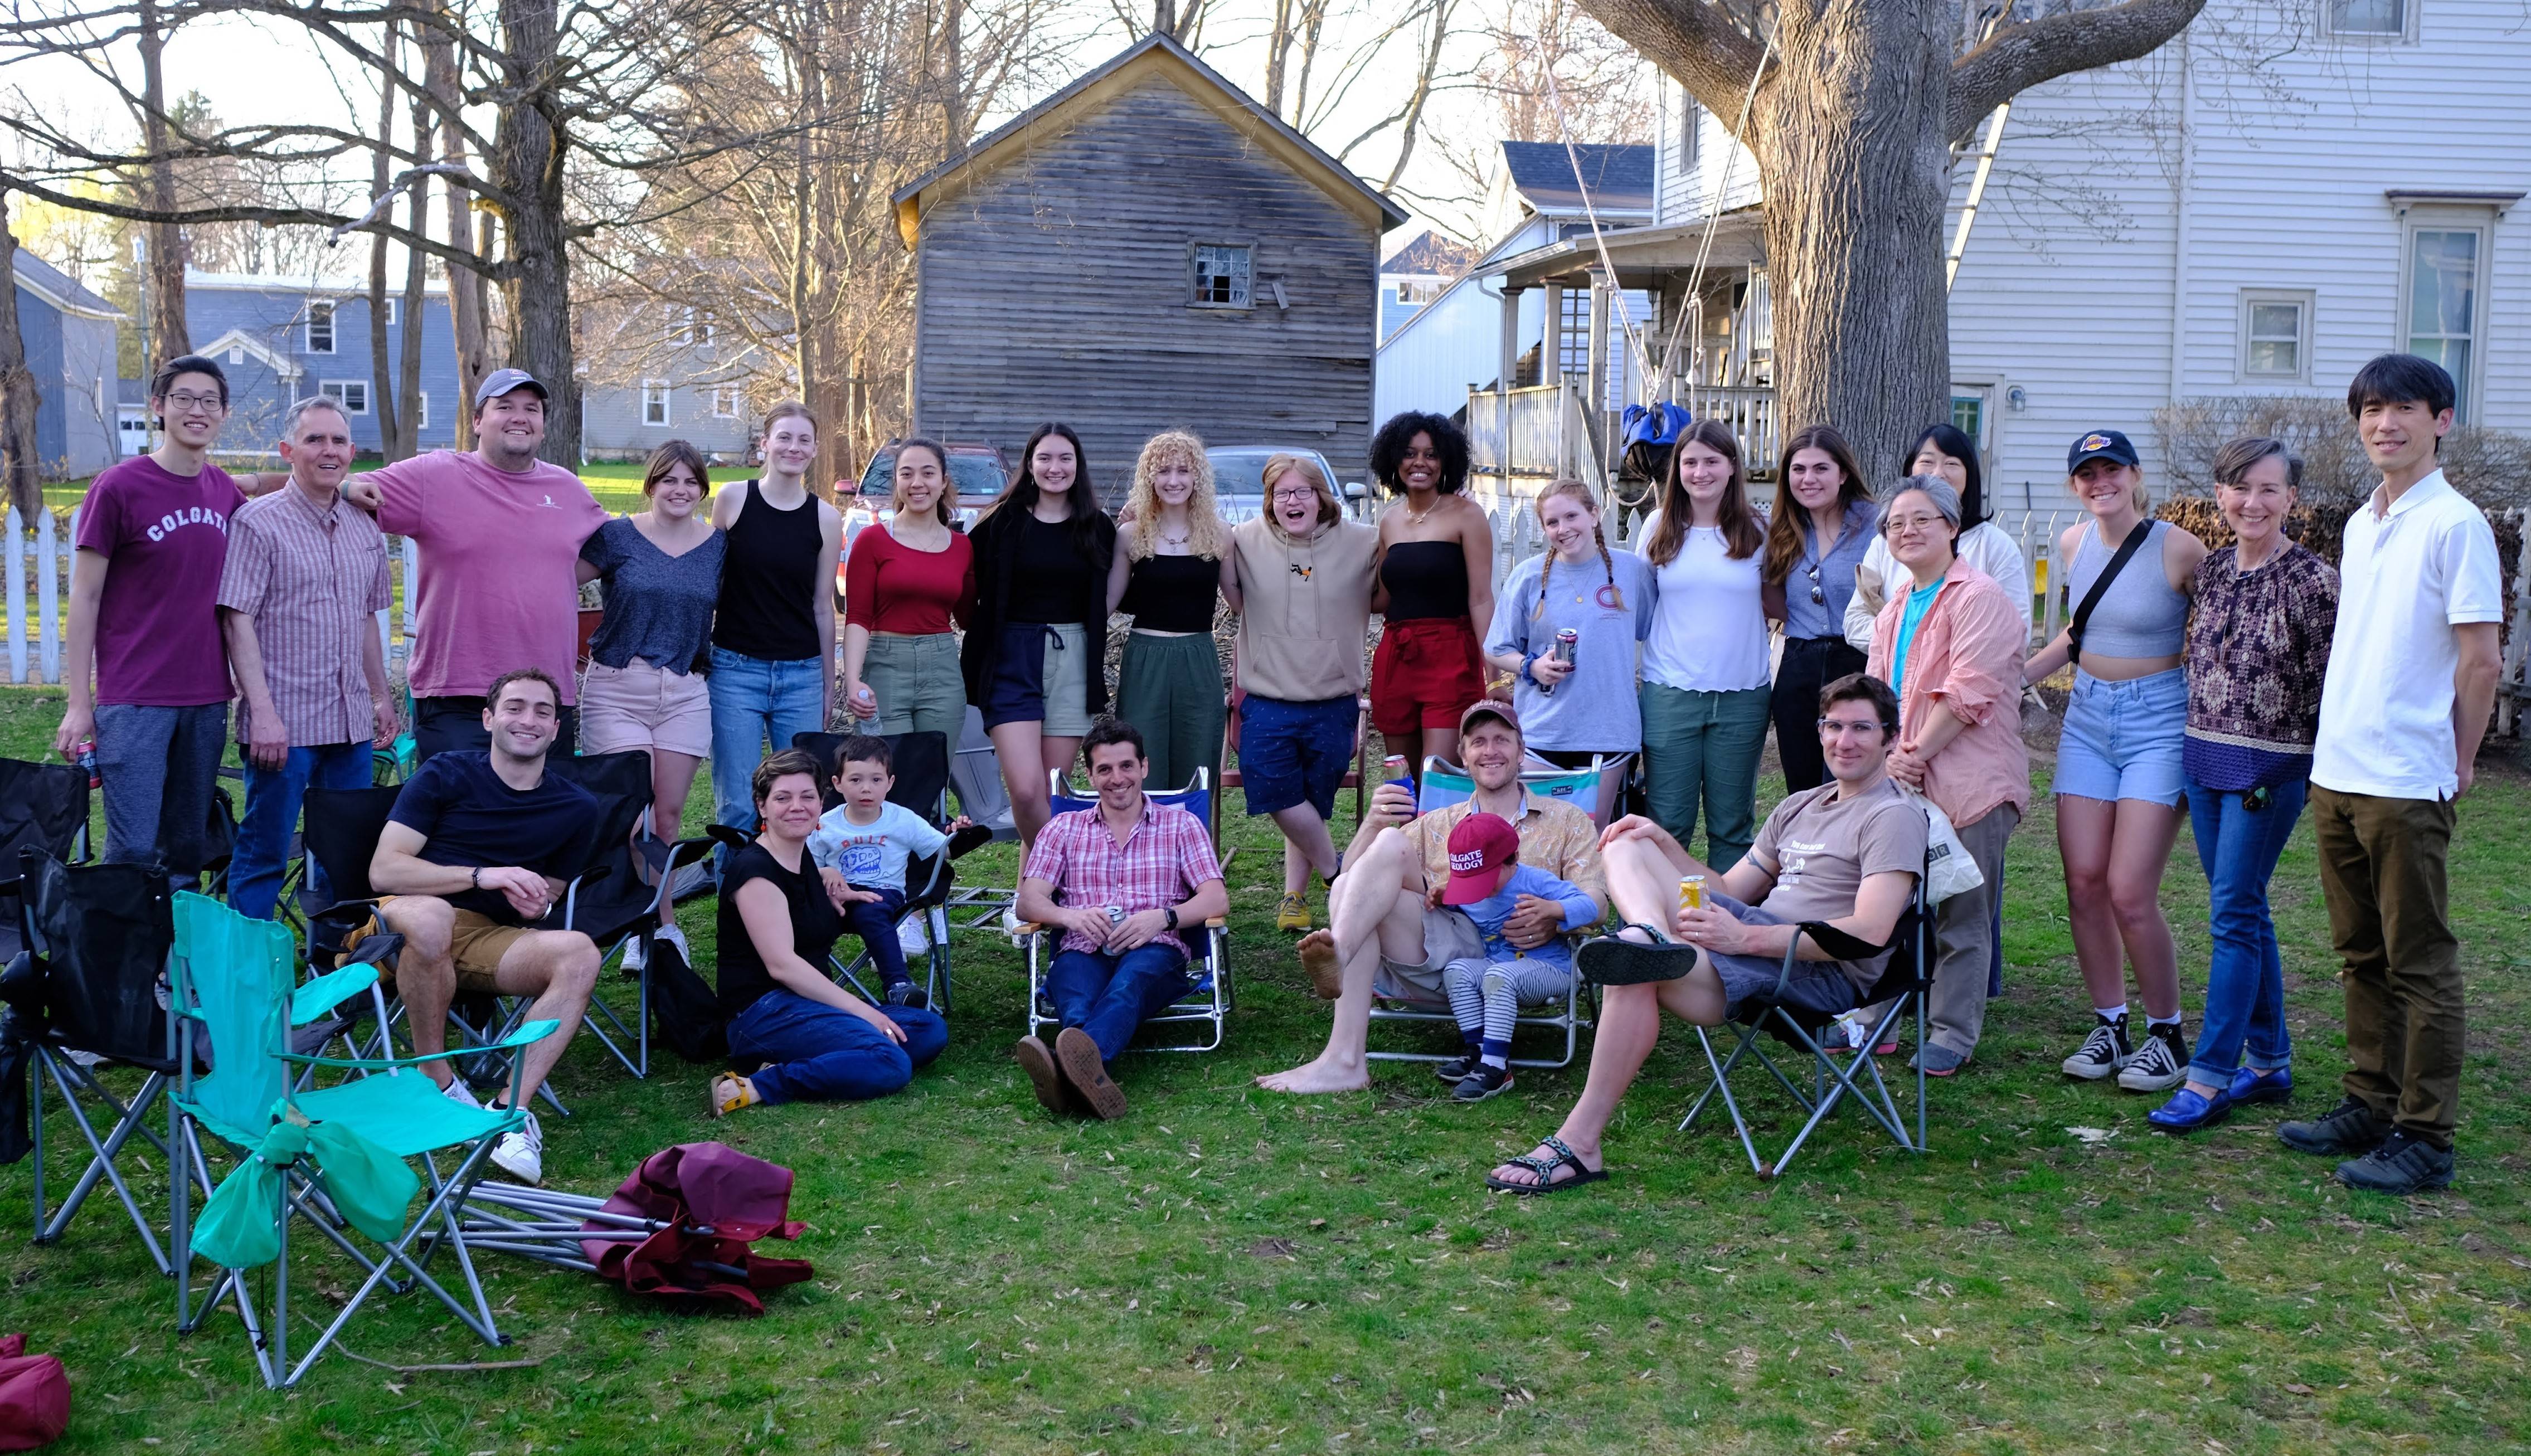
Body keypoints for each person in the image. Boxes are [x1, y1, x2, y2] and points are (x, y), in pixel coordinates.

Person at [1484, 674, 1925, 1192]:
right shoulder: (1801, 805)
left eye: (1861, 728)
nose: (1843, 740)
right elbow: (1728, 886)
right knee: (1625, 842)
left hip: (1813, 969)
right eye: (1833, 726)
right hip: (1751, 935)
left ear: (1890, 738)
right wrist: (1665, 843)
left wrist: (1745, 939)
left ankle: (1579, 1142)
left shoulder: (1891, 816)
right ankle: (1649, 933)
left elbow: (1869, 932)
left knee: (1631, 970)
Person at [2279, 354, 2501, 1195]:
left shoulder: (2455, 524)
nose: (2384, 424)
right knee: (2358, 955)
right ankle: (2369, 1102)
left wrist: (2460, 758)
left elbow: (2480, 661)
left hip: (2408, 781)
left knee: (2421, 963)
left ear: (2441, 419)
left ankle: (2425, 1135)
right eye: (2371, 410)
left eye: (2403, 408)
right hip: (2339, 771)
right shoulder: (2363, 522)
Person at [1257, 702, 1607, 1095]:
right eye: (1478, 742)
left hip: (1525, 961)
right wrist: (1373, 824)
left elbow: (1597, 899)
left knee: (1364, 880)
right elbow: (1349, 883)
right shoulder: (1439, 822)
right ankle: (1343, 1048)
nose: (1490, 750)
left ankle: (1343, 1028)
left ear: (1521, 749)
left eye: (1501, 740)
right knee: (1381, 849)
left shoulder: (1566, 819)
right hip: (1447, 950)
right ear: (1463, 754)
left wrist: (1555, 915)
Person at [2148, 437, 2338, 1133]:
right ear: (2220, 494)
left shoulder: (2313, 581)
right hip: (2202, 761)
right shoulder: (2214, 570)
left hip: (2268, 770)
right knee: (2245, 910)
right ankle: (2269, 1058)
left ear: (2291, 498)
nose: (2251, 503)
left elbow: (2328, 688)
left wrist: (2312, 770)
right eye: (2238, 488)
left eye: (2267, 489)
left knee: (2230, 914)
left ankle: (2209, 1075)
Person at [2020, 428, 2207, 1093]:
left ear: (2133, 475)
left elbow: (2213, 633)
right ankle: (2109, 1023)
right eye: (2085, 475)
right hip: (2088, 719)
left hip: (2158, 721)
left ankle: (2167, 1033)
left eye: (2110, 471)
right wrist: (2012, 675)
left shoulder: (2178, 548)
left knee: (2130, 892)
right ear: (2074, 485)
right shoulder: (2072, 544)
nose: (2098, 484)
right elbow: (2078, 634)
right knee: (2083, 882)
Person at [370, 668, 605, 1186]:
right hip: (403, 915)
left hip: (486, 937)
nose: (528, 720)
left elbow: (551, 893)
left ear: (557, 728)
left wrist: (534, 905)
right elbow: (385, 868)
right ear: (489, 718)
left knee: (581, 953)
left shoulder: (577, 807)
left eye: (543, 711)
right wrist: (483, 875)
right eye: (515, 707)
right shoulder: (445, 773)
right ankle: (436, 1078)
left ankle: (508, 1114)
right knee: (431, 917)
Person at [336, 369, 609, 761]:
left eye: (531, 409)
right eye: (505, 407)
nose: (520, 416)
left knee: (543, 820)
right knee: (460, 817)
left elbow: (616, 550)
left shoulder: (568, 490)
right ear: (477, 421)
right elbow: (336, 488)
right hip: (455, 695)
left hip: (544, 698)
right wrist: (344, 487)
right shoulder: (434, 476)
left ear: (543, 427)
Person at [1862, 476, 2028, 1075]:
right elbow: (1877, 695)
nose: (1906, 531)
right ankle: (1872, 1016)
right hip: (1900, 779)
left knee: (1961, 914)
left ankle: (1951, 1032)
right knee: (1885, 905)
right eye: (1895, 523)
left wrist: (1913, 753)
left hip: (1971, 782)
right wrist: (1888, 753)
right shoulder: (1895, 609)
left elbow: (1968, 692)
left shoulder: (1978, 598)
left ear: (1952, 527)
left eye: (1920, 520)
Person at [54, 354, 246, 871]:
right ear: (159, 407)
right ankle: (130, 953)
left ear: (223, 413)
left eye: (210, 401)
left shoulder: (222, 489)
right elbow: (85, 597)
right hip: (135, 700)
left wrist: (339, 486)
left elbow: (272, 487)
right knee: (135, 850)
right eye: (183, 398)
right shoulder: (118, 487)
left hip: (207, 700)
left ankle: (174, 954)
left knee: (186, 847)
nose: (197, 410)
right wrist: (79, 703)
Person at [216, 396, 397, 918]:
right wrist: (263, 713)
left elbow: (367, 617)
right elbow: (237, 619)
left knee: (350, 856)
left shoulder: (365, 524)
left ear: (352, 451)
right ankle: (246, 980)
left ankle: (344, 975)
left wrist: (380, 695)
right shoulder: (258, 523)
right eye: (314, 439)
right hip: (285, 727)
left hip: (350, 726)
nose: (328, 450)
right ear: (288, 450)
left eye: (338, 440)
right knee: (264, 851)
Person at [708, 749, 950, 1117]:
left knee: (927, 1028)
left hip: (805, 1003)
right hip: (761, 1012)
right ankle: (755, 1085)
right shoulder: (755, 872)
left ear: (821, 802)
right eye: (782, 798)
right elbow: (782, 966)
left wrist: (829, 881)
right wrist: (863, 1012)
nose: (797, 807)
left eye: (807, 796)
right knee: (890, 1061)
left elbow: (802, 892)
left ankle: (820, 1058)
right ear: (762, 806)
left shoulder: (800, 855)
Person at [1010, 719, 1228, 1121]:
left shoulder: (1181, 825)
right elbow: (1028, 901)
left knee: (1128, 985)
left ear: (1143, 767)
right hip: (1083, 947)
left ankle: (1061, 1072)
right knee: (1076, 1004)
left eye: (1126, 766)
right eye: (1105, 769)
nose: (1117, 778)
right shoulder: (1063, 828)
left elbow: (1216, 897)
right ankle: (1083, 1077)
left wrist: (1162, 918)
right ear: (1090, 775)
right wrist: (1070, 917)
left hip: (1156, 951)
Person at [575, 440, 725, 943]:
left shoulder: (718, 546)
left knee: (666, 817)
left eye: (690, 481)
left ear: (702, 490)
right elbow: (553, 579)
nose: (680, 490)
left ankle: (660, 929)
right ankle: (623, 917)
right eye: (669, 480)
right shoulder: (617, 536)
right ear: (651, 486)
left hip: (685, 691)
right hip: (618, 687)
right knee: (631, 815)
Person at [1230, 454, 1382, 933]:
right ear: (1269, 502)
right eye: (1281, 494)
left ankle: (1293, 897)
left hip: (1332, 699)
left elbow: (1413, 551)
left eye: (1302, 492)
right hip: (1268, 697)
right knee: (1273, 788)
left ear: (1322, 497)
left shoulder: (1365, 542)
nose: (1291, 501)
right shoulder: (1242, 541)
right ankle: (1337, 873)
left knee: (1311, 803)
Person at [961, 423, 1119, 856]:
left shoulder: (1096, 527)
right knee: (1027, 791)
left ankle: (1032, 896)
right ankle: (1060, 879)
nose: (1055, 467)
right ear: (1029, 465)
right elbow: (962, 583)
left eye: (1065, 458)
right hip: (1011, 656)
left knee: (1055, 794)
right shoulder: (998, 524)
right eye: (1045, 458)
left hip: (1071, 658)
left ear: (1077, 465)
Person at [1637, 419, 1770, 870]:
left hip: (1742, 696)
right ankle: (1662, 927)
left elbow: (1779, 601)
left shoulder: (1758, 530)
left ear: (1731, 467)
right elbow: (1639, 605)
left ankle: (1727, 926)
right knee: (1667, 821)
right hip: (1670, 692)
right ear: (1677, 468)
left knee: (1731, 826)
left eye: (1712, 461)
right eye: (1690, 462)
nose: (1700, 472)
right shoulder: (1658, 526)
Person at [708, 401, 844, 841]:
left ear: (815, 449)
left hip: (800, 675)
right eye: (784, 437)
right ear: (765, 443)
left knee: (801, 801)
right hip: (734, 670)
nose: (793, 446)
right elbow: (710, 585)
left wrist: (828, 683)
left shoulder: (826, 517)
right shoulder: (731, 499)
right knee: (737, 803)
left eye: (804, 439)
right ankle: (736, 904)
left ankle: (794, 902)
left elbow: (823, 606)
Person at [1482, 479, 1655, 769]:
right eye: (1552, 522)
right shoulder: (1528, 576)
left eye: (1571, 516)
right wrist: (1532, 666)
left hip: (1609, 732)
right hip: (1543, 732)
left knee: (1596, 818)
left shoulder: (1630, 570)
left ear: (1594, 515)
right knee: (1539, 816)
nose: (1563, 529)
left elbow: (1650, 629)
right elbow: (1495, 648)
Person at [1434, 811, 1600, 1102]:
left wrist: (1553, 910)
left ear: (1511, 858)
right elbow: (1459, 909)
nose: (1478, 890)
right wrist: (1440, 899)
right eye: (1469, 880)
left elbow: (1591, 908)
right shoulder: (1469, 890)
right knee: (1456, 970)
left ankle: (1497, 1069)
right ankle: (1478, 1051)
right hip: (1498, 966)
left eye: (1484, 879)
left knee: (1499, 976)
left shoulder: (1535, 882)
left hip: (1552, 969)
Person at [1367, 411, 1493, 788]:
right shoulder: (1389, 520)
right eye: (1409, 453)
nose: (1419, 462)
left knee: (1437, 778)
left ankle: (1438, 846)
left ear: (1446, 461)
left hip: (1450, 657)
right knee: (1401, 779)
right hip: (1397, 656)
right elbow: (1380, 599)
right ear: (1394, 460)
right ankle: (1405, 847)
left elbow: (1482, 598)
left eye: (1431, 454)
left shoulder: (1467, 515)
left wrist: (1496, 675)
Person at [1109, 431, 1239, 796]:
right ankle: (1145, 849)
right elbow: (1105, 601)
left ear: (1197, 476)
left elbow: (1240, 602)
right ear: (1149, 477)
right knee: (1140, 758)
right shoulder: (1130, 535)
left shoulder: (1220, 534)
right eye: (1163, 470)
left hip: (1198, 658)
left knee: (1198, 763)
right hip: (1144, 658)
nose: (1173, 480)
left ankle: (1192, 848)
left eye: (1183, 470)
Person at [807, 734, 977, 1009]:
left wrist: (959, 835)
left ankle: (898, 986)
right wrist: (825, 873)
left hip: (882, 895)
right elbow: (806, 867)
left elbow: (943, 850)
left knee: (871, 913)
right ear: (837, 784)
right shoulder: (824, 824)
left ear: (890, 783)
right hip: (835, 896)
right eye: (855, 780)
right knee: (805, 917)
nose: (866, 789)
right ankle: (810, 988)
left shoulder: (902, 819)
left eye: (876, 780)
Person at [1845, 423, 2033, 652]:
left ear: (1969, 475)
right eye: (1927, 462)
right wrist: (1912, 641)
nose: (1938, 473)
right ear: (1910, 470)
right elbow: (1855, 622)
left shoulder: (1996, 545)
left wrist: (1932, 649)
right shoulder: (1888, 542)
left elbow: (2016, 631)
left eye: (1952, 463)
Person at [1762, 425, 1878, 792]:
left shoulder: (1877, 524)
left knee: (1855, 780)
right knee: (1803, 783)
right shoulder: (1779, 528)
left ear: (1843, 473)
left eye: (1820, 469)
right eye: (1798, 470)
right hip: (1798, 666)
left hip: (1858, 661)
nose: (1808, 479)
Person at [841, 436, 974, 741]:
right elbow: (858, 617)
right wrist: (852, 680)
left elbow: (969, 618)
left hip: (942, 669)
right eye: (907, 474)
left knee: (932, 776)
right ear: (897, 481)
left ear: (943, 482)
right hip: (885, 667)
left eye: (928, 473)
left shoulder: (963, 548)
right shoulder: (872, 540)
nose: (917, 483)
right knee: (883, 772)